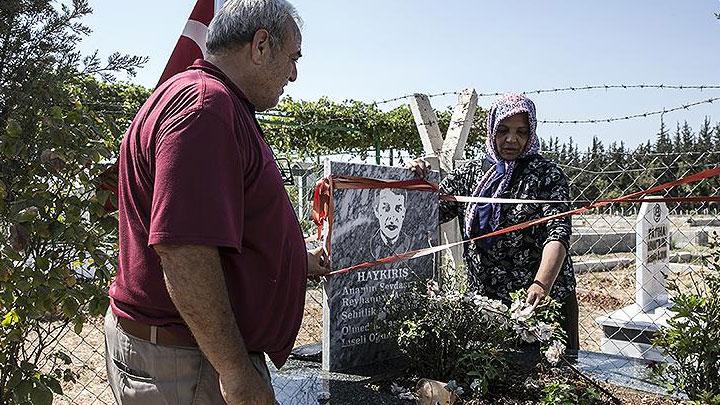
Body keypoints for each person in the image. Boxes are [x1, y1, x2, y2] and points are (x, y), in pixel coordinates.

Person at [103, 1, 329, 404]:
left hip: (188, 355)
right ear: (261, 46)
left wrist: (296, 260)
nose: (293, 74)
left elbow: (219, 230)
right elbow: (183, 251)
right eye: (292, 58)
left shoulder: (203, 98)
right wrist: (236, 371)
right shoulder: (206, 109)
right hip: (192, 364)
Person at [409, 93, 579, 351]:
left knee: (553, 382)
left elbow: (557, 233)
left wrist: (540, 284)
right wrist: (413, 179)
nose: (512, 139)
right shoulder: (471, 173)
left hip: (541, 303)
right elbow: (430, 213)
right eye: (503, 130)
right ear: (491, 130)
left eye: (521, 132)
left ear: (531, 132)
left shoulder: (546, 175)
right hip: (490, 306)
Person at [369, 188, 411, 260]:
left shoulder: (413, 245)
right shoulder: (367, 246)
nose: (392, 219)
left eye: (398, 209)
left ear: (403, 213)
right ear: (377, 211)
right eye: (386, 208)